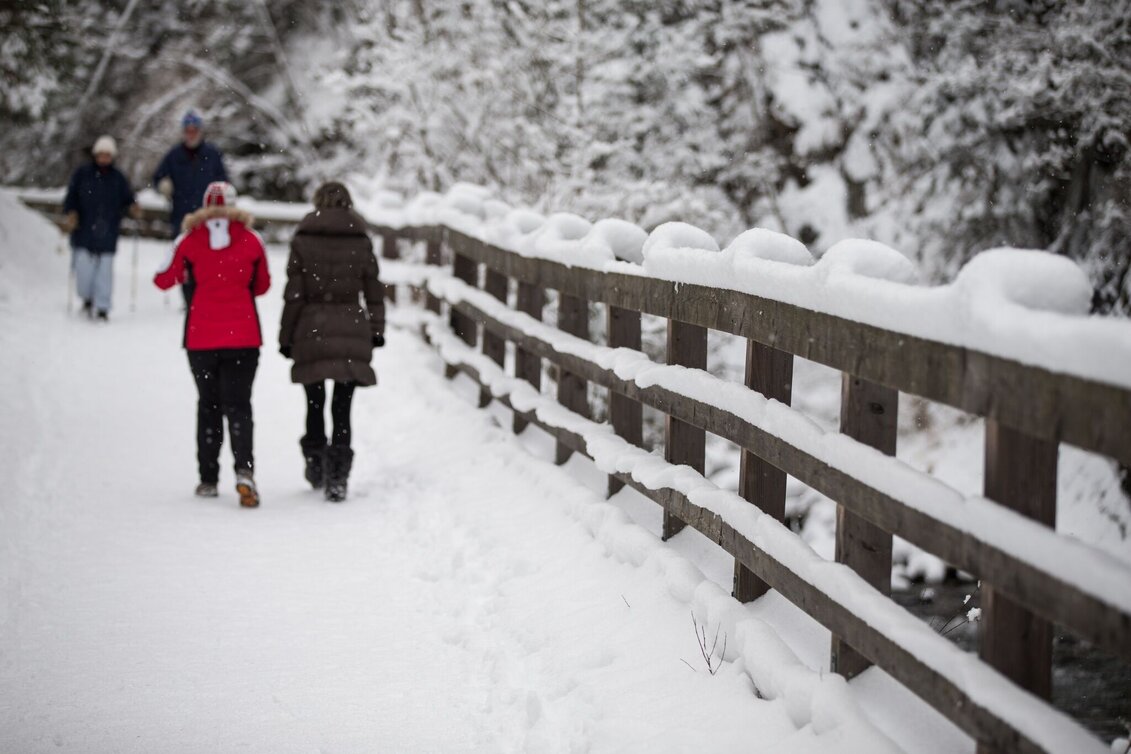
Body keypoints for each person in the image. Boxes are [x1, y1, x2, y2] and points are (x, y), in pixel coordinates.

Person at [154, 182, 270, 507]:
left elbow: (163, 277)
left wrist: (189, 254)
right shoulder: (251, 239)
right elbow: (262, 285)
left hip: (201, 337)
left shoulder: (190, 239)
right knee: (239, 405)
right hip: (244, 337)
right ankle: (244, 471)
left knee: (209, 406)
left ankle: (208, 478)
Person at [278, 182, 385, 502]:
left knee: (314, 401)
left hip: (312, 326)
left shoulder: (303, 239)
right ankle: (338, 476)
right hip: (351, 325)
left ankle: (315, 462)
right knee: (342, 407)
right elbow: (374, 292)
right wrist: (377, 330)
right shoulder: (361, 240)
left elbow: (293, 295)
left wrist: (286, 336)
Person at [152, 110, 229, 303]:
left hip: (208, 216)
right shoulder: (174, 155)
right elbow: (158, 177)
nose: (191, 133)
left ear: (200, 131)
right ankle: (189, 299)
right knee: (184, 258)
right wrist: (164, 185)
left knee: (209, 258)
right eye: (188, 130)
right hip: (181, 214)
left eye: (195, 130)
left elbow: (224, 181)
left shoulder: (212, 154)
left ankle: (206, 295)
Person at [62, 135, 140, 320]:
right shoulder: (82, 174)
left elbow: (127, 199)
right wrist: (71, 213)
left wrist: (133, 208)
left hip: (108, 230)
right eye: (101, 154)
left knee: (105, 272)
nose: (104, 158)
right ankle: (87, 298)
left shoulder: (118, 178)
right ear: (96, 155)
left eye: (107, 155)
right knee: (83, 270)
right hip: (84, 229)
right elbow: (71, 196)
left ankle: (103, 306)